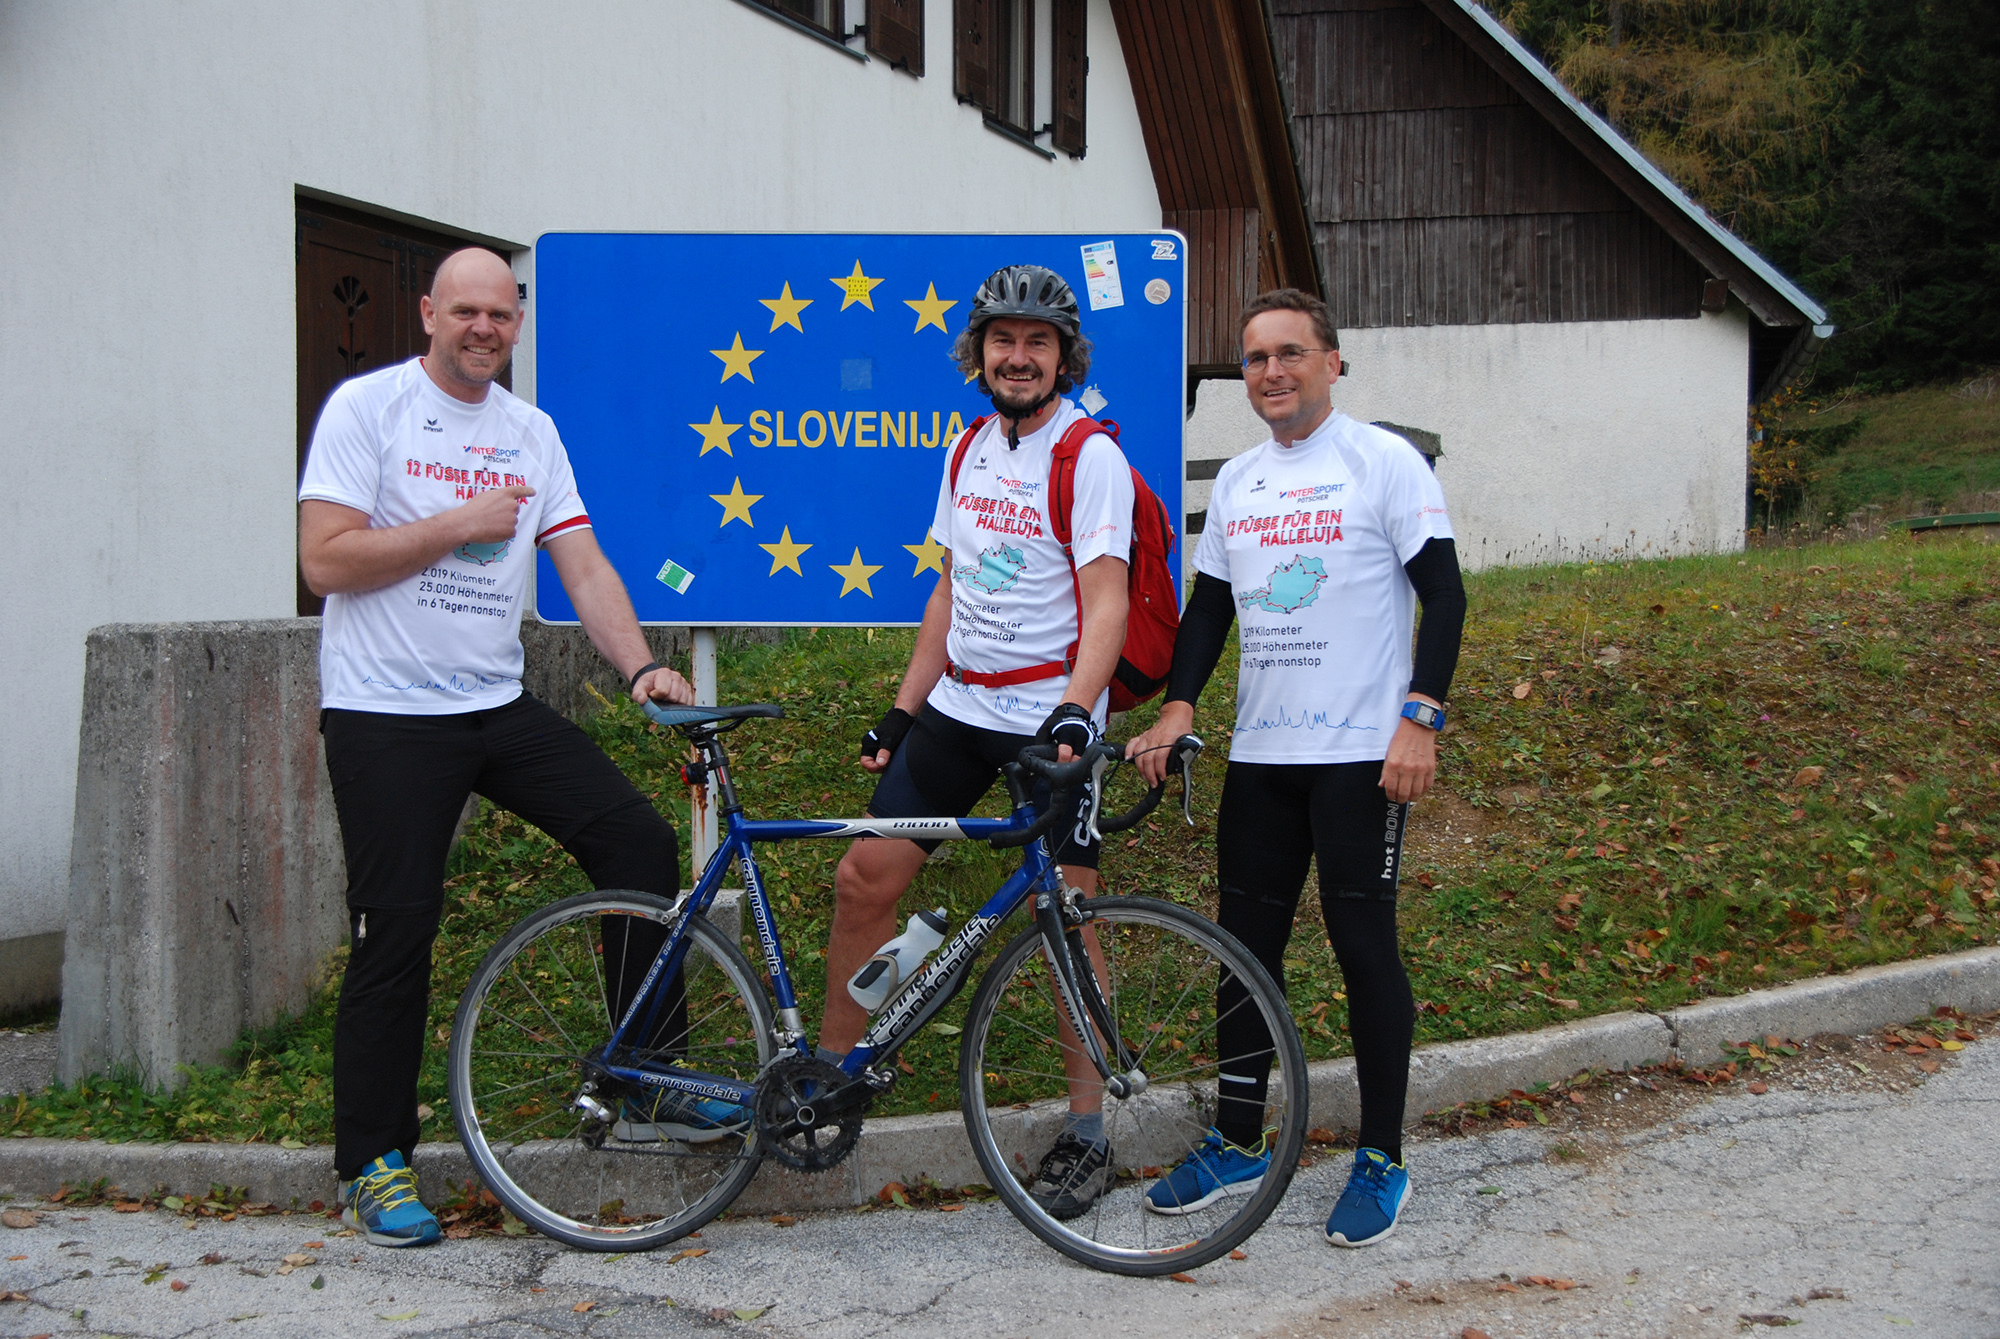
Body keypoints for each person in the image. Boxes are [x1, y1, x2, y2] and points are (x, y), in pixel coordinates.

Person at [298, 247, 706, 1248]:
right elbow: (324, 560)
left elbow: (583, 564)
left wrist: (640, 667)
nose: (483, 328)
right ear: (429, 313)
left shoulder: (531, 431)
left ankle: (646, 1073)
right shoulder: (368, 409)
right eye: (465, 311)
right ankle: (373, 1160)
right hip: (385, 712)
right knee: (396, 927)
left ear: (517, 323)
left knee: (638, 842)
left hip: (493, 704)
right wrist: (457, 524)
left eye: (500, 314)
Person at [1127, 287, 1465, 1247]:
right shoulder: (1240, 479)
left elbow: (1444, 595)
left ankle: (1382, 1156)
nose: (1271, 371)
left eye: (1290, 353)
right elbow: (1210, 608)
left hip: (1360, 757)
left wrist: (1421, 718)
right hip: (1264, 756)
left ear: (1332, 362)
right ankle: (1239, 1139)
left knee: (1364, 950)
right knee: (1245, 951)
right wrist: (1181, 703)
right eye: (1255, 358)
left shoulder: (1383, 461)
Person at [831, 264, 1132, 1219]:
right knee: (864, 877)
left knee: (1068, 921)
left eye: (1038, 342)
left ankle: (1089, 1129)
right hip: (961, 709)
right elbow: (950, 589)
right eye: (1004, 339)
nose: (1019, 356)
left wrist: (1077, 711)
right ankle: (829, 1081)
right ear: (981, 352)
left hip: (1048, 721)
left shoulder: (1088, 456)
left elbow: (1109, 601)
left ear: (1064, 358)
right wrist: (904, 709)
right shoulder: (967, 447)